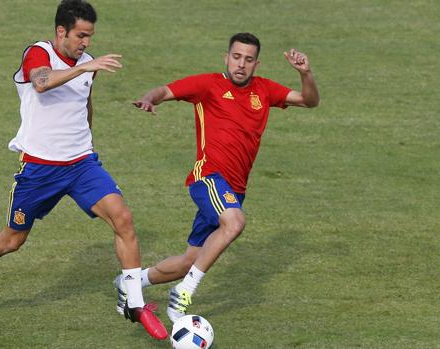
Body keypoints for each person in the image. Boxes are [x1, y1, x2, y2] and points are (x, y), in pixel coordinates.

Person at [0, 0, 167, 340]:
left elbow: (85, 102)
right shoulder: (37, 53)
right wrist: (84, 67)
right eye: (81, 36)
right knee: (11, 241)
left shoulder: (87, 65)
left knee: (123, 218)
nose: (86, 44)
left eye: (90, 37)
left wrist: (89, 141)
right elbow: (41, 82)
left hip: (81, 164)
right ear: (61, 31)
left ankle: (134, 303)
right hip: (39, 169)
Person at [114, 32, 320, 322]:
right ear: (226, 57)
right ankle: (183, 293)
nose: (241, 64)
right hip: (208, 178)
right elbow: (165, 90)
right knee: (235, 221)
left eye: (248, 60)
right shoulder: (208, 85)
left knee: (190, 261)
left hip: (234, 190)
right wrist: (150, 99)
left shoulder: (264, 90)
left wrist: (306, 74)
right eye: (236, 57)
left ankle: (132, 283)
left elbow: (309, 101)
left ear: (256, 64)